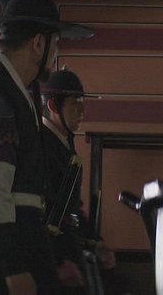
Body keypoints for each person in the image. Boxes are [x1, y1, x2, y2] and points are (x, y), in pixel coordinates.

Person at [0, 0, 94, 295]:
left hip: (14, 254)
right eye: (55, 43)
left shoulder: (17, 93)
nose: (56, 53)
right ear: (38, 43)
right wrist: (13, 267)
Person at [40, 66, 123, 295]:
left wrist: (96, 242)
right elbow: (37, 215)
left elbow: (72, 209)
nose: (83, 110)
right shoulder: (40, 146)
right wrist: (56, 261)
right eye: (76, 103)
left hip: (70, 247)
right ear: (54, 106)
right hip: (51, 255)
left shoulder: (64, 144)